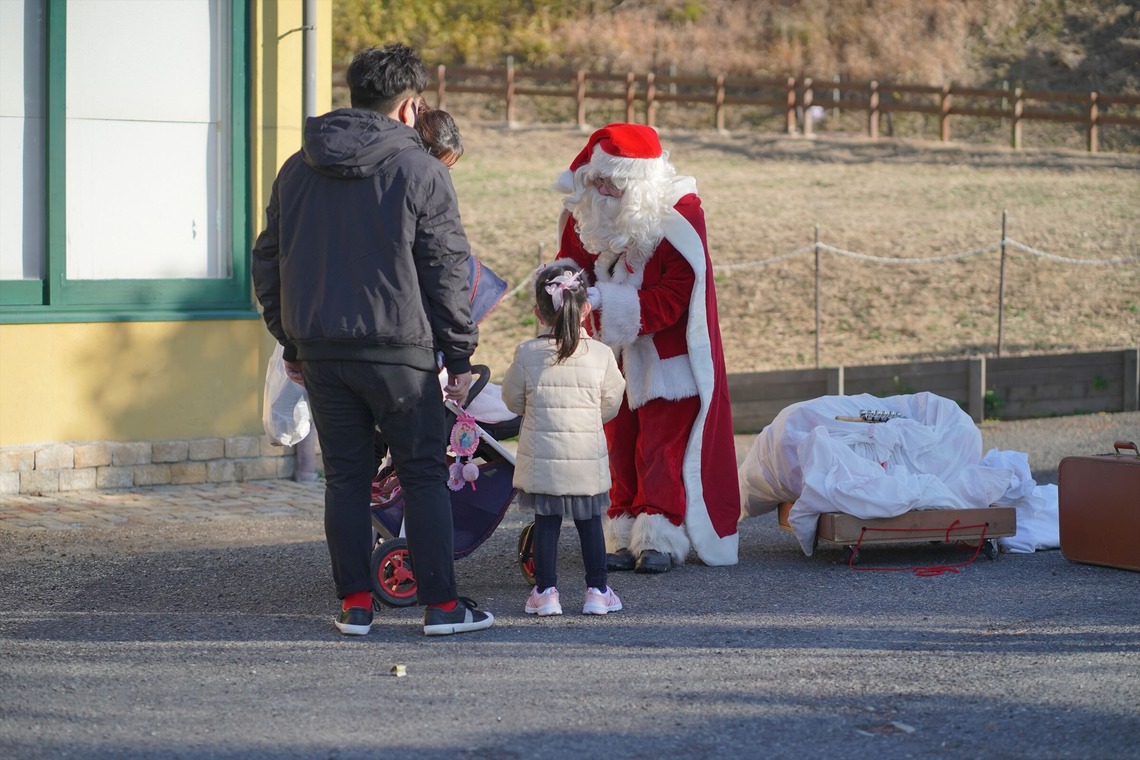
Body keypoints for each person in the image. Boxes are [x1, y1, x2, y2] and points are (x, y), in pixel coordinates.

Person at [251, 43, 494, 637]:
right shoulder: (422, 171)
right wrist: (459, 353)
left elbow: (268, 261)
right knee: (422, 475)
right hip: (400, 353)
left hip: (323, 352)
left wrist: (291, 341)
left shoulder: (296, 168)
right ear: (409, 107)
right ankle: (442, 608)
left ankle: (355, 605)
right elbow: (446, 267)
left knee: (346, 480)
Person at [551, 122, 740, 573]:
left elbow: (676, 296)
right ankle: (621, 530)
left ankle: (660, 533)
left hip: (668, 358)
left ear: (636, 182)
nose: (600, 188)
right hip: (612, 355)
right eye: (597, 179)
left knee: (661, 446)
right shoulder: (590, 213)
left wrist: (603, 302)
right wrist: (559, 292)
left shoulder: (681, 216)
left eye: (611, 182)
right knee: (618, 443)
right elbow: (571, 265)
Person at [501, 263, 627, 615]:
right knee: (590, 524)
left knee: (546, 523)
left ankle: (546, 593)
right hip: (586, 457)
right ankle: (598, 592)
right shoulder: (601, 355)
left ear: (538, 313)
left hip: (542, 458)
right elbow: (613, 401)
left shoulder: (527, 354)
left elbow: (512, 401)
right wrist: (587, 419)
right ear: (586, 308)